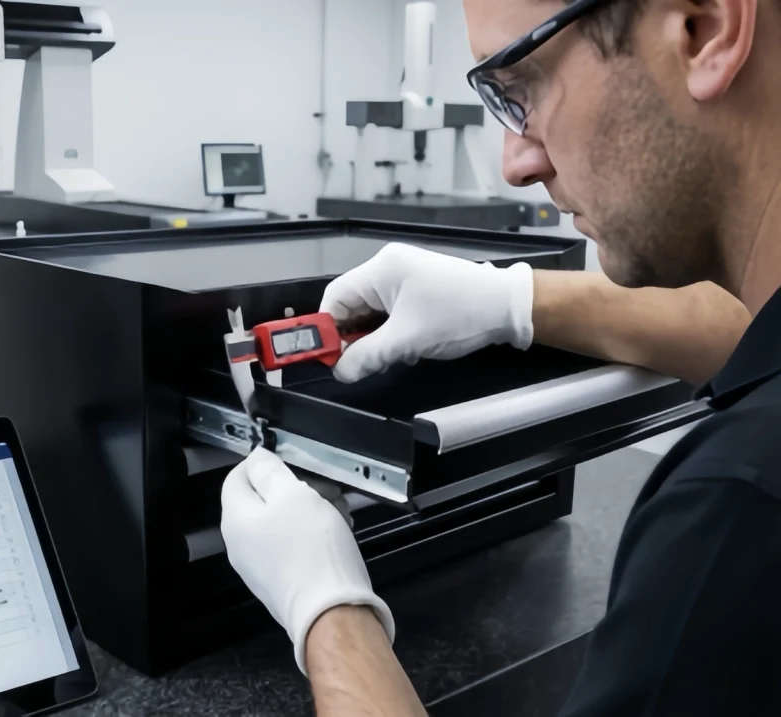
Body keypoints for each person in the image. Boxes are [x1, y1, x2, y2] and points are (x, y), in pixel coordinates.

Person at [220, 0, 781, 714]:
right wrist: (510, 301)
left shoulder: (736, 518)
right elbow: (747, 328)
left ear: (704, 28)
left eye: (522, 85)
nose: (514, 163)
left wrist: (328, 613)